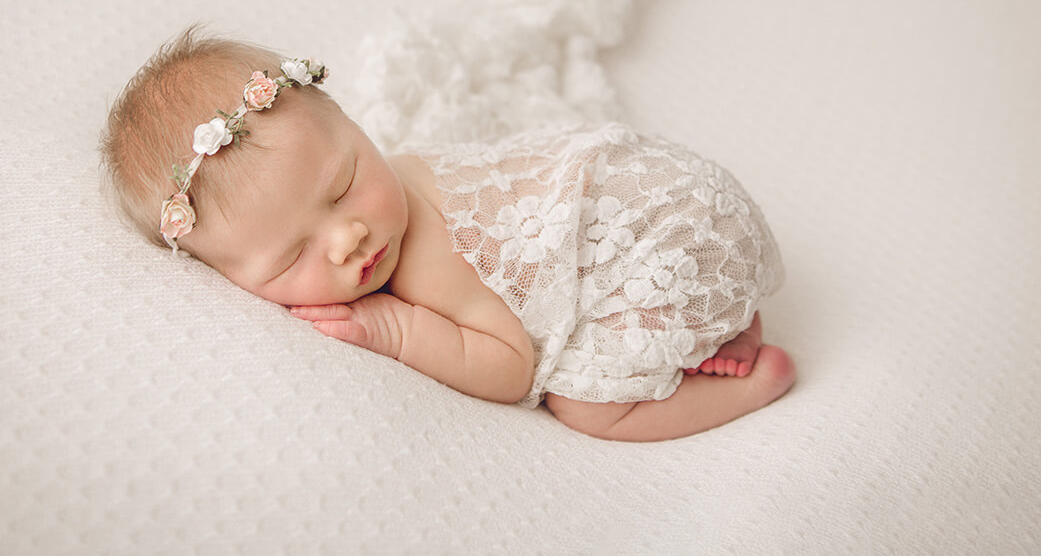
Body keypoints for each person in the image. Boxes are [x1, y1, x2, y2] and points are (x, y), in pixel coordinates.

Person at [101, 28, 795, 441]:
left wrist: (395, 331)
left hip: (666, 227)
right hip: (672, 201)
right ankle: (719, 323)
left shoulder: (427, 254)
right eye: (292, 256)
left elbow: (510, 366)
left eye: (344, 184)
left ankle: (752, 381)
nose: (348, 237)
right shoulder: (378, 199)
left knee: (584, 407)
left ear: (352, 122)